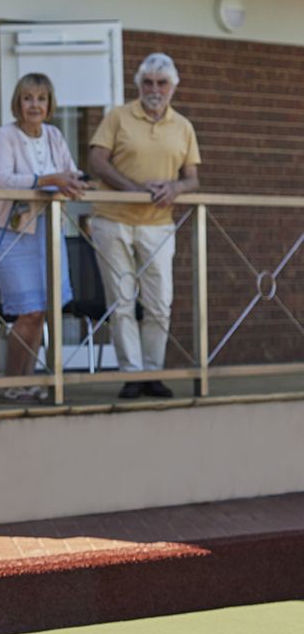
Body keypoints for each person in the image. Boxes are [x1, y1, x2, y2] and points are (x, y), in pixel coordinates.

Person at [87, 53, 200, 400]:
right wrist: (132, 189)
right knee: (121, 300)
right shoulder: (118, 116)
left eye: (161, 83)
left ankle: (153, 372)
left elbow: (192, 179)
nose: (155, 89)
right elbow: (95, 161)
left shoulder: (183, 126)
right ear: (138, 85)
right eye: (148, 82)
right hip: (113, 221)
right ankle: (132, 375)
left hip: (158, 226)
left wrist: (175, 188)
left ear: (173, 88)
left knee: (159, 303)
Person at [0, 73, 88, 403]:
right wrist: (52, 178)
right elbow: (4, 180)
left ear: (49, 104)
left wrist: (69, 181)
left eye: (41, 98)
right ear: (18, 102)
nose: (34, 104)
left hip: (49, 230)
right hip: (11, 231)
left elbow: (71, 173)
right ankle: (11, 382)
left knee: (43, 311)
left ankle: (27, 382)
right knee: (28, 311)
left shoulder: (55, 135)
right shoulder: (4, 135)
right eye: (28, 98)